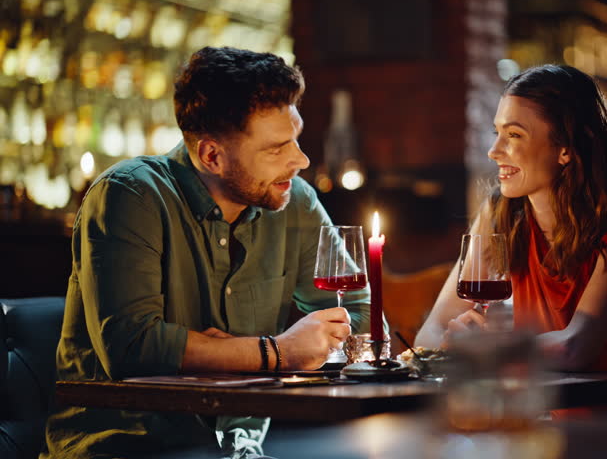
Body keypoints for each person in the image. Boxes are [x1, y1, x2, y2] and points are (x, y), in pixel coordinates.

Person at [42, 47, 369, 459]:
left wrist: (214, 350)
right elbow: (133, 348)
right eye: (275, 148)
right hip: (126, 448)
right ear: (211, 155)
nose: (300, 160)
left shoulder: (294, 201)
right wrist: (278, 351)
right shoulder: (130, 195)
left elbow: (358, 313)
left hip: (242, 451)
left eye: (296, 139)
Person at [415, 64, 607, 416]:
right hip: (547, 428)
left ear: (565, 148)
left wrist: (488, 348)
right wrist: (452, 342)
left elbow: (577, 347)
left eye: (514, 135)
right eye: (497, 133)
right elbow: (428, 335)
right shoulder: (502, 216)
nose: (494, 151)